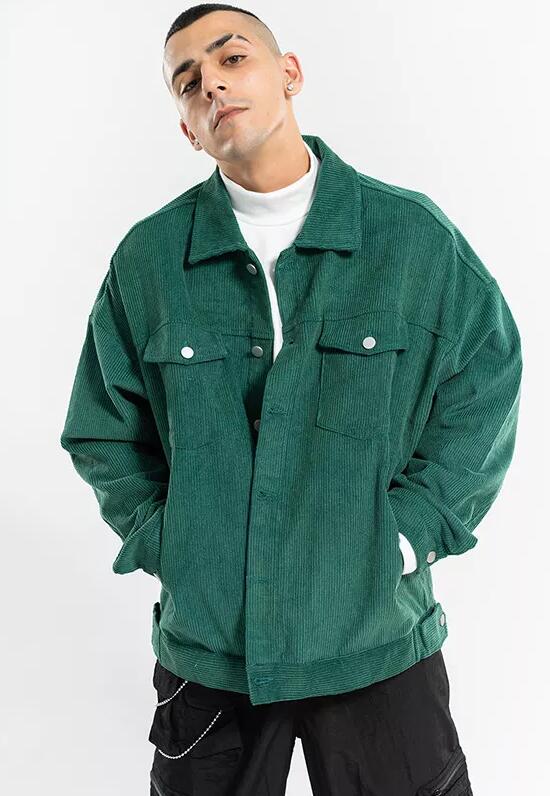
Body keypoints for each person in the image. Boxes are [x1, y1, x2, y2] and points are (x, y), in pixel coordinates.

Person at [59, 4, 522, 794]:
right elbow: (103, 431)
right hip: (212, 648)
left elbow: (486, 382)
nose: (212, 84)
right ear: (187, 129)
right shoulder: (148, 262)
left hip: (375, 636)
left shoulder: (410, 238)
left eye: (232, 57)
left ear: (290, 73)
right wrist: (178, 543)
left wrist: (411, 532)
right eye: (187, 82)